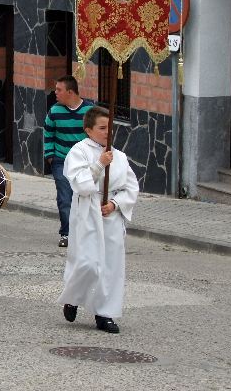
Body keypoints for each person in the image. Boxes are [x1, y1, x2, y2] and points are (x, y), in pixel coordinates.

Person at [58, 106, 139, 334]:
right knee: (89, 263)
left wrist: (115, 204)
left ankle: (105, 314)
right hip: (88, 211)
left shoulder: (119, 156)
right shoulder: (79, 151)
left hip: (110, 214)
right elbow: (79, 183)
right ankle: (73, 297)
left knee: (110, 266)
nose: (107, 132)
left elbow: (131, 187)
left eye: (109, 128)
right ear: (89, 130)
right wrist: (100, 164)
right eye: (102, 128)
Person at [44, 75, 95, 248]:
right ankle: (66, 233)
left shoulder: (89, 111)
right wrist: (51, 156)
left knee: (86, 198)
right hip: (61, 161)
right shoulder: (55, 111)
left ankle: (86, 232)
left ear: (70, 92)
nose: (55, 92)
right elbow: (48, 134)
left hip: (85, 163)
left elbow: (97, 135)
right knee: (65, 199)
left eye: (59, 89)